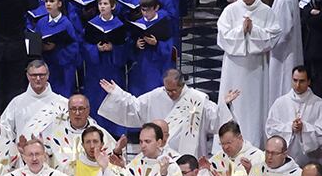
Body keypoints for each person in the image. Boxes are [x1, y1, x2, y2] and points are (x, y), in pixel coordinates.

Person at [97, 65, 234, 162]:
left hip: (189, 157)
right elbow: (134, 107)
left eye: (174, 90)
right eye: (167, 90)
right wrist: (117, 93)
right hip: (160, 158)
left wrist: (225, 104)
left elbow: (216, 120)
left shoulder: (197, 99)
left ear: (182, 85)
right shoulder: (155, 96)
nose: (170, 94)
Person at [216, 0, 282, 144]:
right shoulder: (230, 10)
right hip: (234, 66)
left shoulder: (266, 12)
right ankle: (227, 142)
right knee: (233, 103)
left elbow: (274, 36)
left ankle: (253, 142)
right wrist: (241, 31)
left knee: (254, 107)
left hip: (255, 67)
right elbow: (222, 36)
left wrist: (254, 30)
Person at [267, 65, 322, 167]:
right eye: (295, 80)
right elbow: (270, 128)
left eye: (302, 81)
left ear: (309, 81)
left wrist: (304, 127)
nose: (297, 85)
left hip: (311, 159)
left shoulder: (319, 104)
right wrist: (290, 127)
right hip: (286, 158)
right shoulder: (280, 102)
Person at [0, 58, 68, 149]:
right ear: (28, 76)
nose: (38, 79)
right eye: (34, 75)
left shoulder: (62, 103)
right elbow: (6, 130)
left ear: (48, 75)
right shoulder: (17, 102)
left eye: (41, 75)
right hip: (25, 157)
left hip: (56, 157)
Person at [263, 0, 306, 109]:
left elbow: (284, 30)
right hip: (282, 50)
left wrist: (268, 45)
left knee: (281, 85)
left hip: (283, 54)